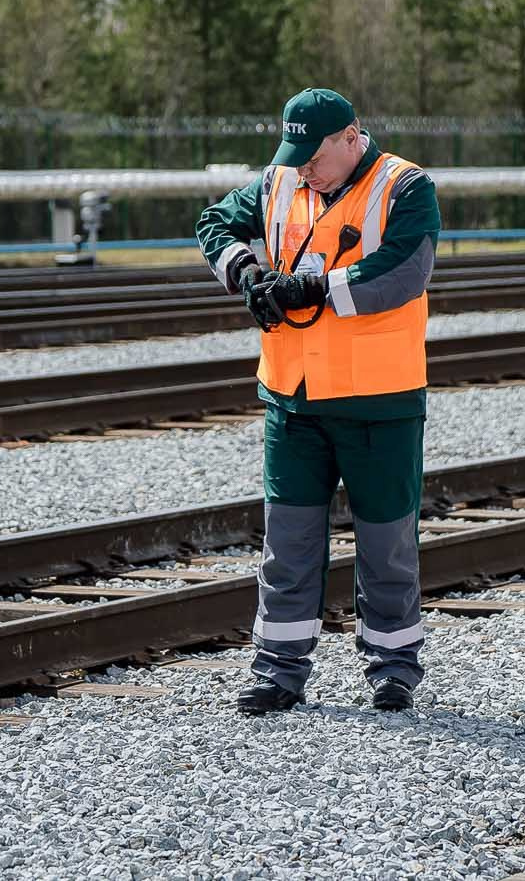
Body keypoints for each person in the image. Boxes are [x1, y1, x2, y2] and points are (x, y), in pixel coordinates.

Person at [196, 88, 441, 715]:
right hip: (292, 396)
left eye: (314, 154)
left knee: (387, 541)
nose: (302, 166)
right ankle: (279, 669)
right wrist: (246, 273)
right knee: (289, 539)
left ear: (351, 136)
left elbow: (399, 272)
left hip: (378, 400)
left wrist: (312, 289)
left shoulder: (405, 188)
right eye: (295, 152)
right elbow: (213, 222)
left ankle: (393, 668)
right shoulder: (280, 181)